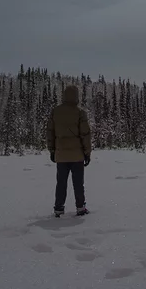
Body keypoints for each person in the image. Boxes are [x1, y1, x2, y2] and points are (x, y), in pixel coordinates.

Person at [46, 83, 92, 217]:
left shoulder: (56, 111)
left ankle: (58, 208)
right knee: (78, 184)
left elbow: (50, 132)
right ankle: (80, 208)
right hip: (77, 155)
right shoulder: (80, 112)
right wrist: (87, 153)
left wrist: (52, 150)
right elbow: (85, 135)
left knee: (61, 183)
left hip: (61, 154)